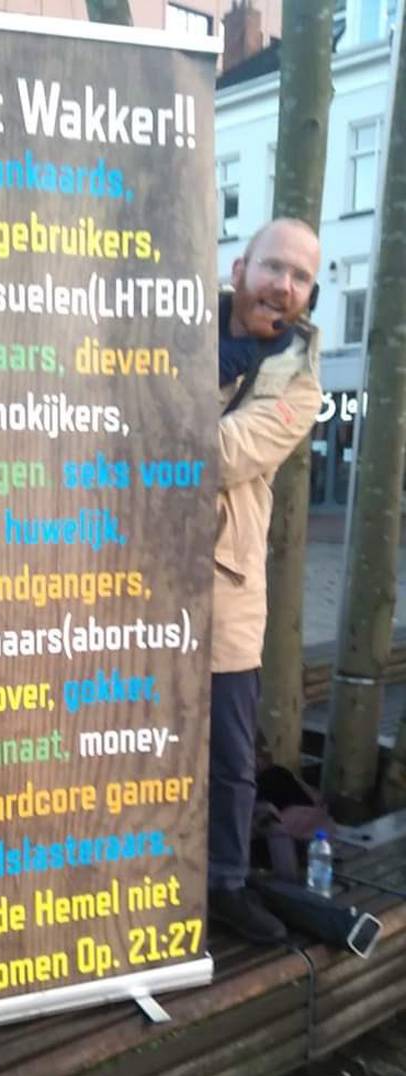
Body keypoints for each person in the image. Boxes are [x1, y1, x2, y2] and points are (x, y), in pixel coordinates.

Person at [209, 217, 322, 942]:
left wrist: (140, 413)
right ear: (240, 269)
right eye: (273, 267)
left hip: (223, 586)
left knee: (229, 752)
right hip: (123, 571)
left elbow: (220, 456)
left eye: (300, 277)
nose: (283, 285)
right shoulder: (168, 324)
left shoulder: (300, 384)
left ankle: (223, 882)